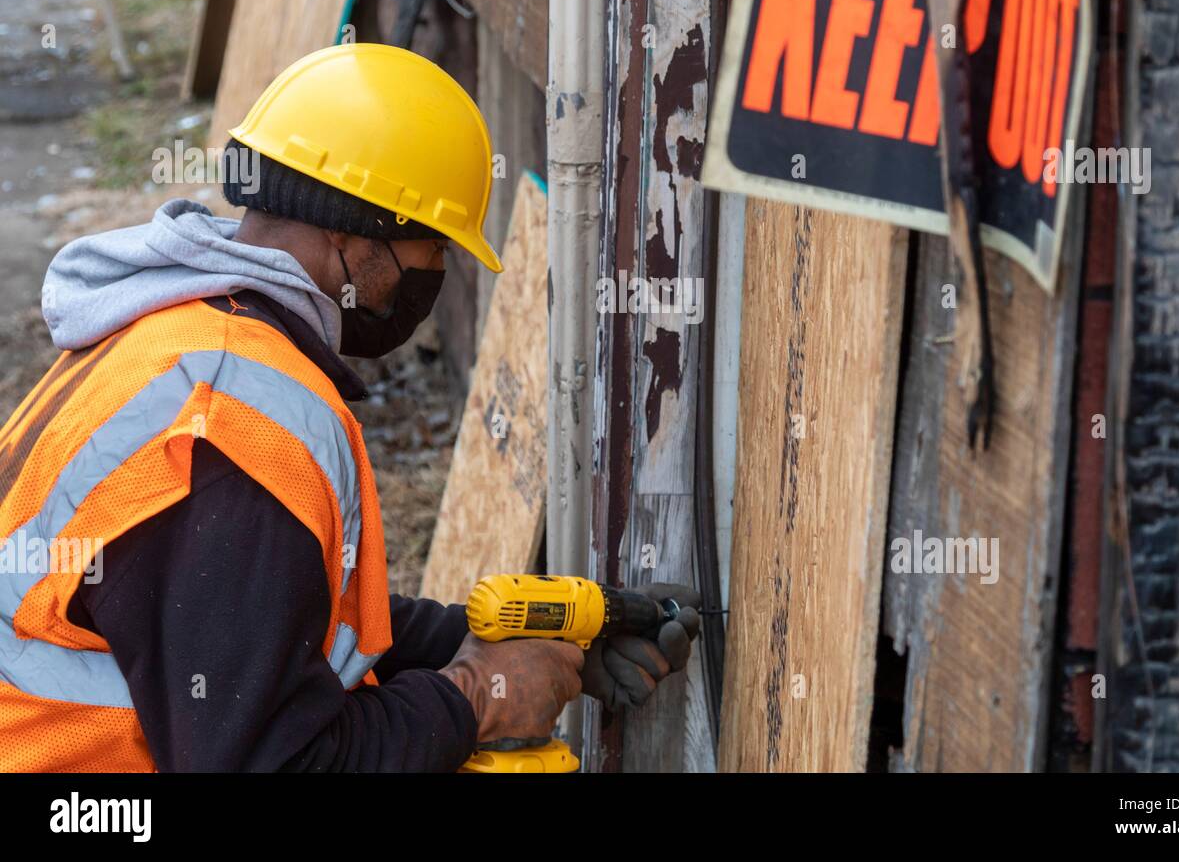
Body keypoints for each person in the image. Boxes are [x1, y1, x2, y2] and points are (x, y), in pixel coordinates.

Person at [0, 43, 701, 771]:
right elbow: (272, 761)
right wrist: (475, 696)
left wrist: (508, 641)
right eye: (431, 246)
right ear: (348, 234)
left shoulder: (178, 334)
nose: (434, 273)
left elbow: (269, 623)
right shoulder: (237, 437)